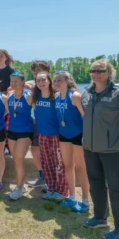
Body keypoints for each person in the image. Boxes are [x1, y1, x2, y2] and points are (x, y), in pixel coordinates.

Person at [82, 60, 119, 239]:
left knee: (116, 188)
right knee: (96, 184)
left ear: (109, 73)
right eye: (93, 70)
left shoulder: (117, 93)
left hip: (113, 150)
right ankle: (99, 217)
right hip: (90, 148)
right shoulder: (87, 93)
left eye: (100, 70)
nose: (96, 73)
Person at [53, 71, 89, 212]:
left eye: (59, 80)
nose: (56, 83)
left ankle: (85, 201)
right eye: (55, 80)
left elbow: (85, 117)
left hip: (77, 135)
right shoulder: (56, 96)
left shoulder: (74, 96)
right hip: (64, 135)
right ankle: (71, 197)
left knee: (81, 167)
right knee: (68, 165)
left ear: (67, 81)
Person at [32, 72, 68, 201]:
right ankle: (51, 188)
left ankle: (62, 191)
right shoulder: (36, 97)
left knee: (58, 164)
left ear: (49, 81)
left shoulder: (56, 97)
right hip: (42, 135)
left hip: (56, 135)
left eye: (43, 80)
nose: (41, 83)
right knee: (46, 163)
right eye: (38, 81)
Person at [7, 72, 34, 200]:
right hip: (12, 131)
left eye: (16, 81)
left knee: (18, 158)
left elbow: (38, 110)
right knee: (16, 159)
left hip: (25, 131)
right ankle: (21, 185)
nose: (14, 83)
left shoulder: (28, 96)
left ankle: (18, 188)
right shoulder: (10, 96)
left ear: (23, 82)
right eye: (12, 81)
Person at [26, 61, 50, 191]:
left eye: (39, 70)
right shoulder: (32, 85)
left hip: (50, 125)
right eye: (34, 71)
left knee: (49, 153)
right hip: (36, 122)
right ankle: (41, 176)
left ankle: (51, 180)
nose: (36, 73)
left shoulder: (52, 85)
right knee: (35, 149)